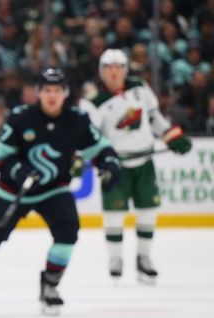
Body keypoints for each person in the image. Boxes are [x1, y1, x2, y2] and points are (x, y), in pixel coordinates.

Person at [0, 67, 121, 315]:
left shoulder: (77, 120)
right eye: (47, 90)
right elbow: (0, 158)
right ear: (38, 93)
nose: (52, 96)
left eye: (57, 91)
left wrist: (110, 164)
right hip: (12, 191)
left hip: (53, 189)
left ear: (64, 94)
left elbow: (102, 148)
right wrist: (20, 171)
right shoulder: (21, 118)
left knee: (68, 233)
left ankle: (50, 286)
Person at [78, 49, 192, 283]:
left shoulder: (139, 87)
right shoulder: (93, 102)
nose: (114, 72)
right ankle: (115, 259)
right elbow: (90, 136)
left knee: (148, 211)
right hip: (116, 166)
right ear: (101, 71)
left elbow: (154, 118)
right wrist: (82, 156)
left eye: (118, 66)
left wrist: (172, 136)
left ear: (125, 69)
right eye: (108, 67)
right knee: (114, 214)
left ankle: (143, 258)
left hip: (144, 162)